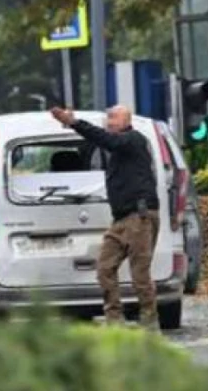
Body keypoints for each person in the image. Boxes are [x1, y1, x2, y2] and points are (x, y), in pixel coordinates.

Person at [50, 105, 161, 330]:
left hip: (139, 216)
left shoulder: (133, 140)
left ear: (127, 120)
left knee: (140, 274)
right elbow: (100, 140)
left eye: (114, 118)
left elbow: (106, 140)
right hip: (121, 218)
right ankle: (114, 318)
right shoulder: (117, 147)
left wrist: (75, 122)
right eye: (108, 118)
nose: (109, 122)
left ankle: (150, 320)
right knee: (105, 268)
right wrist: (72, 126)